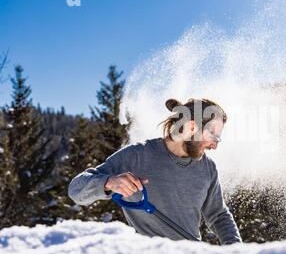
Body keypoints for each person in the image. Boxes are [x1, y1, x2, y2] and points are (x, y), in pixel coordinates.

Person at [68, 98, 242, 245]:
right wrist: (108, 182)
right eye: (212, 134)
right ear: (191, 127)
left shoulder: (208, 168)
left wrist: (236, 251)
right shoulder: (137, 155)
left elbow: (218, 215)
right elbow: (76, 190)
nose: (215, 144)